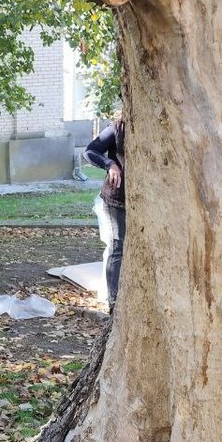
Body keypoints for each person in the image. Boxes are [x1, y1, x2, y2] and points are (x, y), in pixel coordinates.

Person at [84, 113, 126, 312]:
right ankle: (114, 303)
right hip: (116, 199)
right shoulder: (117, 128)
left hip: (146, 201)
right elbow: (90, 151)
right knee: (117, 245)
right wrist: (111, 164)